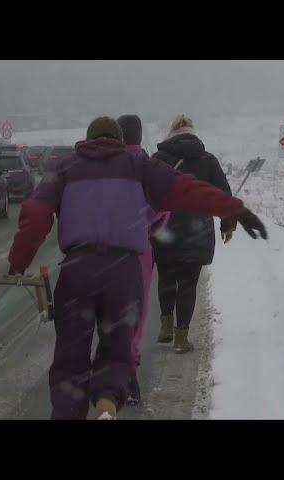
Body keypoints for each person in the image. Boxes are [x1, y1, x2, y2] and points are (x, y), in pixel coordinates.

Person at [7, 116, 266, 420]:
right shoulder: (140, 166)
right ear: (119, 140)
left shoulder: (65, 168)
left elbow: (36, 214)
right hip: (123, 270)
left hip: (78, 269)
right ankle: (106, 404)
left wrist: (19, 262)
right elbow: (189, 189)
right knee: (117, 349)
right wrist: (236, 210)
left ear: (88, 140)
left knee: (70, 357)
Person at [151, 114, 237, 353]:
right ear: (193, 133)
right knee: (188, 284)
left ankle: (166, 325)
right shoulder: (207, 161)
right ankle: (181, 338)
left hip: (164, 229)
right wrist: (227, 225)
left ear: (172, 132)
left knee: (166, 277)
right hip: (196, 231)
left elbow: (146, 194)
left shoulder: (157, 160)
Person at [116, 114, 169, 407]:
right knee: (137, 311)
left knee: (108, 309)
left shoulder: (105, 168)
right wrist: (151, 229)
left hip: (104, 250)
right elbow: (163, 209)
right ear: (139, 136)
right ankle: (129, 376)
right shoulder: (151, 169)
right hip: (140, 251)